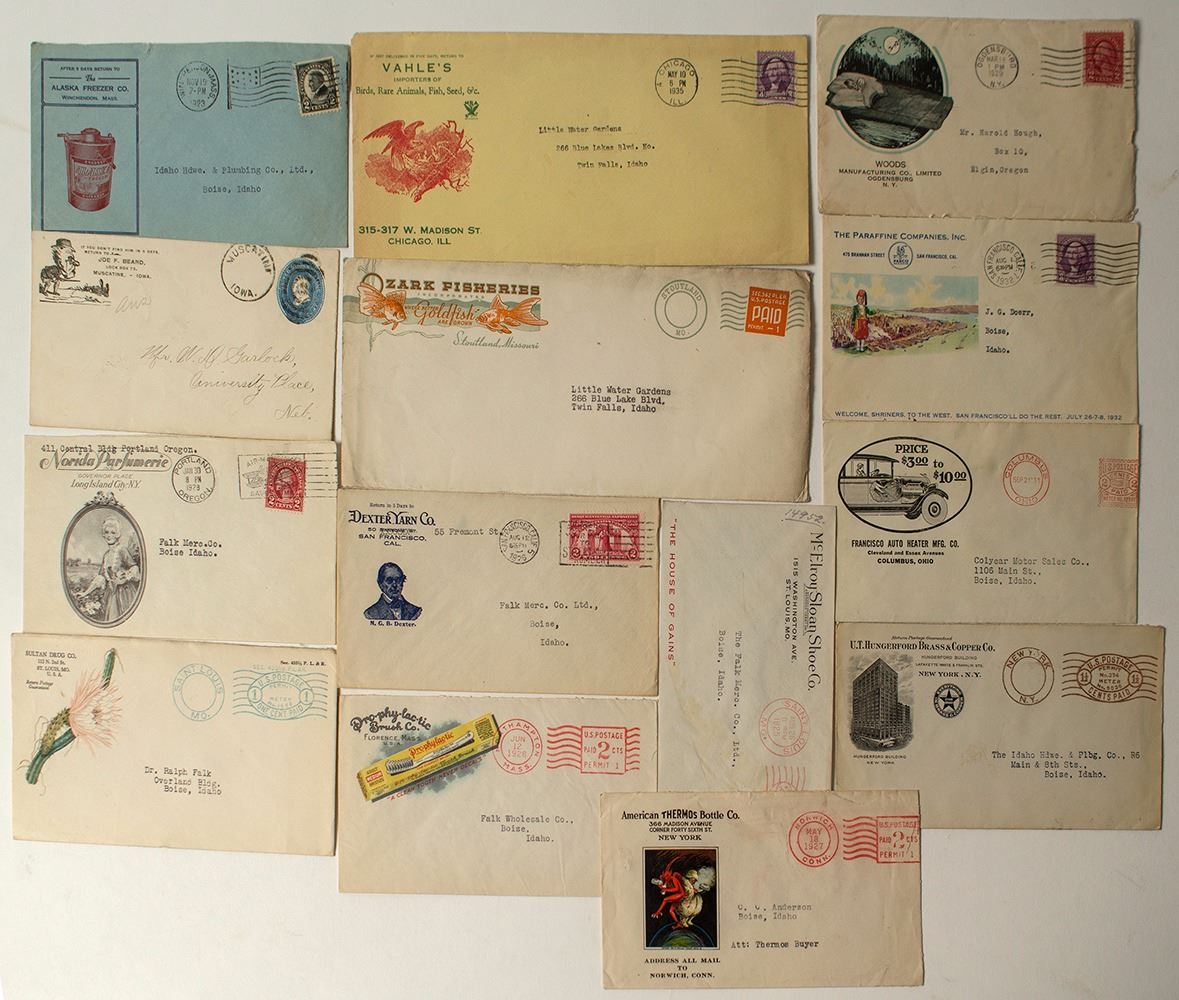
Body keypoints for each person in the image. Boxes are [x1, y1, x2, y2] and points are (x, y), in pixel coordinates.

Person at [77, 516, 141, 623]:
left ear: (117, 535)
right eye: (106, 532)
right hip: (111, 594)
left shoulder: (122, 550)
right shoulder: (106, 556)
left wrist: (124, 578)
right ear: (103, 534)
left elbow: (134, 567)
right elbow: (100, 577)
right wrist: (85, 593)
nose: (109, 535)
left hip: (124, 592)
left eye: (113, 532)